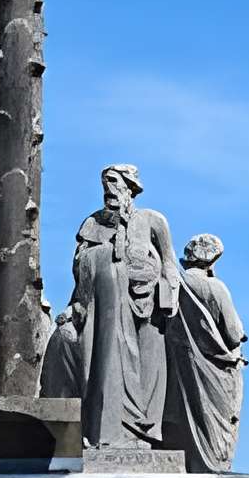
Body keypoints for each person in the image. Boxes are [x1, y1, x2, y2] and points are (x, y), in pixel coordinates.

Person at [65, 164, 179, 450]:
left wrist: (170, 295)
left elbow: (169, 261)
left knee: (150, 370)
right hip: (109, 307)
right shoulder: (93, 224)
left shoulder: (152, 220)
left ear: (130, 187)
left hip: (150, 306)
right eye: (105, 184)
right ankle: (110, 432)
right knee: (107, 363)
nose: (109, 189)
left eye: (115, 182)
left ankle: (143, 434)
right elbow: (80, 269)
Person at [164, 234, 246, 473]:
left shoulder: (175, 284)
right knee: (215, 424)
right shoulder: (215, 287)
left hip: (180, 365)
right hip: (216, 369)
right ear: (213, 261)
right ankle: (214, 467)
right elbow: (234, 333)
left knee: (185, 417)